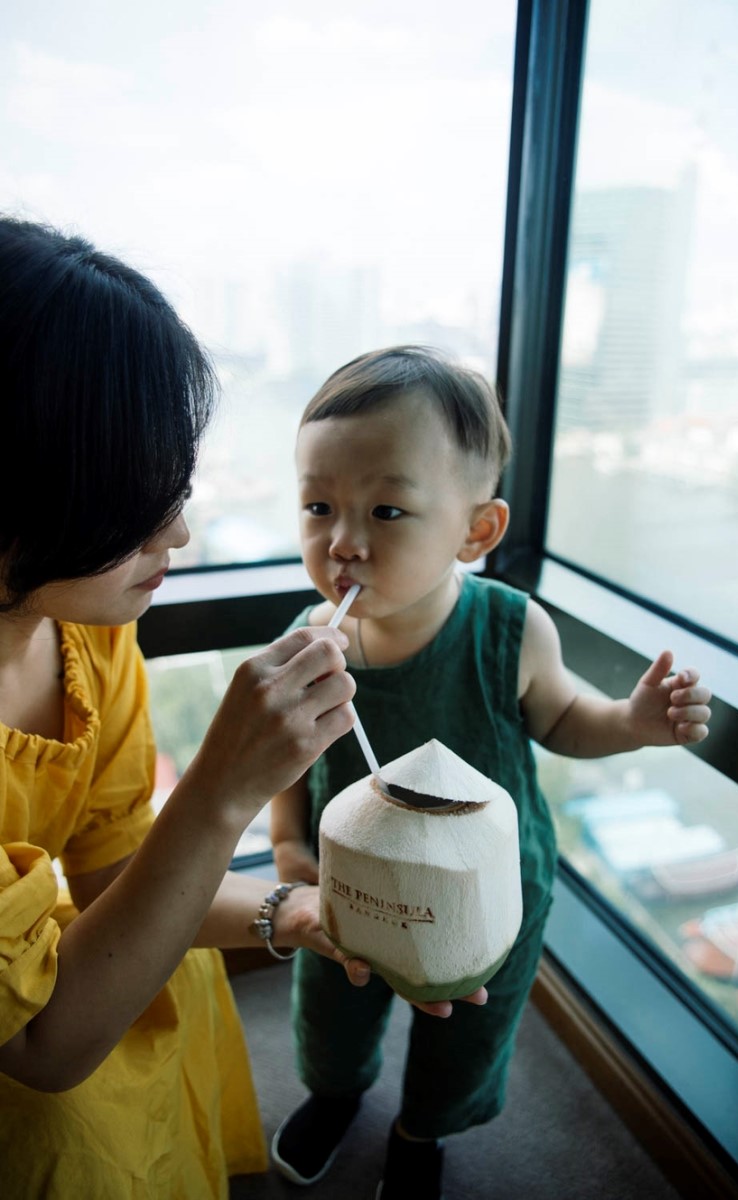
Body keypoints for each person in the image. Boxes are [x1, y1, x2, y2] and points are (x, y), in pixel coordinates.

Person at [0, 222, 479, 1200]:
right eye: (136, 501)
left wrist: (293, 911)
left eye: (175, 486)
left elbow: (113, 880)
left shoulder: (87, 636)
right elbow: (43, 1042)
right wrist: (224, 790)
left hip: (117, 976)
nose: (177, 529)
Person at [269, 344, 713, 1200]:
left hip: (486, 893)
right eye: (319, 506)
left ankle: (421, 1130)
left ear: (476, 530)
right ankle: (337, 1092)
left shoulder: (511, 630)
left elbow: (566, 721)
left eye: (387, 512)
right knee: (331, 1010)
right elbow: (290, 759)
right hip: (348, 885)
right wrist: (290, 844)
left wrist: (632, 723)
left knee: (464, 1037)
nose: (345, 543)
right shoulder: (308, 641)